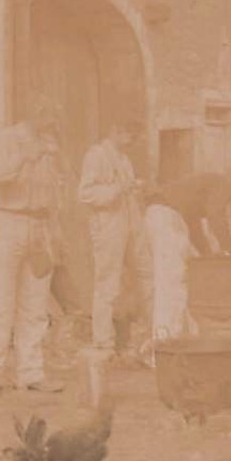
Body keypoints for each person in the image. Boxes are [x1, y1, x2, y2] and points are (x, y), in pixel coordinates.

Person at [0, 101, 66, 395]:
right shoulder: (6, 140)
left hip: (40, 227)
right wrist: (24, 159)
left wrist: (55, 231)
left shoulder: (50, 145)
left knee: (36, 306)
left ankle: (31, 372)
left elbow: (54, 191)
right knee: (1, 302)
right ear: (34, 111)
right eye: (49, 113)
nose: (53, 121)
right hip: (9, 222)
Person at [143, 167, 231, 345]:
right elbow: (216, 214)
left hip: (163, 216)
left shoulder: (198, 191)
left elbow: (193, 224)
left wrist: (206, 254)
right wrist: (229, 249)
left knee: (178, 281)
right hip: (165, 216)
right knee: (171, 283)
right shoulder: (223, 183)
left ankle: (179, 337)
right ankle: (165, 343)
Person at [77, 119, 147, 357]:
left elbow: (129, 196)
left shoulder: (125, 159)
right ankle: (103, 342)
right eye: (129, 134)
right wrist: (118, 189)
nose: (132, 140)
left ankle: (129, 341)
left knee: (136, 280)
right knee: (107, 283)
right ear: (115, 130)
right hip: (107, 225)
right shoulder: (96, 156)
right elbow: (85, 193)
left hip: (128, 225)